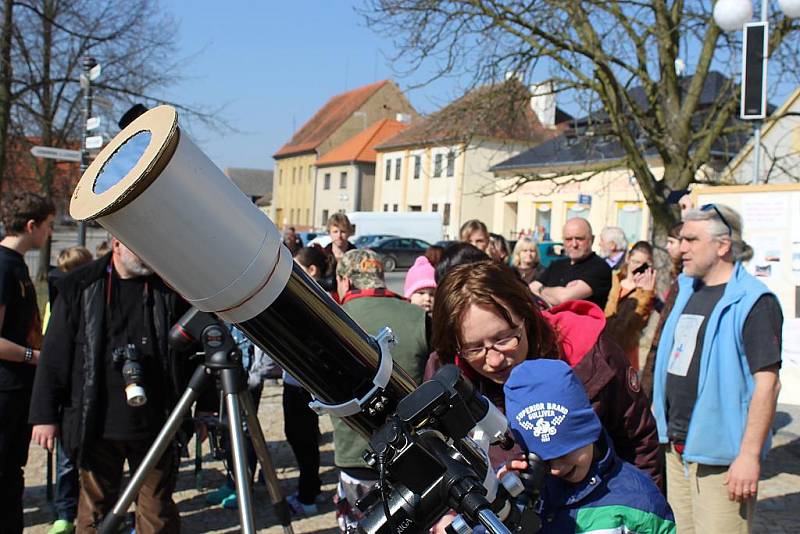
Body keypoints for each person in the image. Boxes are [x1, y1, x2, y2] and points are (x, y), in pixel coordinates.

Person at [432, 260, 662, 487]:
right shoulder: (449, 377)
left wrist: (644, 515)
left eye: (504, 339)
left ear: (526, 317)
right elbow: (445, 463)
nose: (494, 360)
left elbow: (639, 442)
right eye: (475, 348)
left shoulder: (590, 353)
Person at [29, 237, 190, 533]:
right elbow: (55, 354)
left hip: (157, 421)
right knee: (94, 512)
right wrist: (44, 416)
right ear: (116, 245)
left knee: (157, 513)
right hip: (96, 422)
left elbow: (191, 353)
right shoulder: (81, 286)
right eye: (138, 247)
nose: (146, 256)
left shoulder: (168, 288)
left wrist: (203, 409)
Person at [652, 204, 782, 533]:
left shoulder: (753, 301)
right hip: (676, 450)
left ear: (722, 245)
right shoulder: (685, 290)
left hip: (723, 461)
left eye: (691, 240)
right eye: (681, 239)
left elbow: (767, 385)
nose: (681, 248)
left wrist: (749, 457)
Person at [503, 360, 676, 533]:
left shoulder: (638, 500)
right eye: (545, 462)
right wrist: (500, 502)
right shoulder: (527, 496)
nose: (556, 469)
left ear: (588, 432)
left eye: (564, 453)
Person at [333, 249, 430, 532]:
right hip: (410, 451)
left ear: (345, 281)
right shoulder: (418, 316)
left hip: (355, 454)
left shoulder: (332, 319)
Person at [0, 191, 54, 533]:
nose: (50, 233)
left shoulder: (16, 264)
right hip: (5, 389)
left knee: (11, 473)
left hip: (18, 388)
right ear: (31, 225)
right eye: (48, 226)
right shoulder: (3, 267)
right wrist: (36, 357)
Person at [46, 246, 93, 534]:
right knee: (66, 462)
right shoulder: (59, 300)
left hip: (90, 389)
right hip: (68, 394)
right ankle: (65, 510)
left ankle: (88, 510)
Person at [283, 247, 325, 515]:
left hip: (302, 384)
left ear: (312, 270)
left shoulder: (312, 298)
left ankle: (307, 495)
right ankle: (312, 487)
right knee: (304, 438)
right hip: (299, 381)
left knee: (302, 439)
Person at [641, 222, 683, 399]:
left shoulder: (686, 279)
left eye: (672, 242)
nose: (667, 247)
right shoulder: (678, 275)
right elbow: (667, 311)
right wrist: (652, 297)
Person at [530, 217, 612, 308]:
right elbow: (529, 291)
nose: (574, 244)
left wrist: (541, 290)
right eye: (568, 239)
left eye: (580, 239)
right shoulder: (557, 265)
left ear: (591, 239)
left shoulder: (599, 267)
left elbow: (564, 298)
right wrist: (553, 292)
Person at [603, 241, 657, 371]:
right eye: (634, 261)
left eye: (641, 264)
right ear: (628, 259)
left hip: (626, 350)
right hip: (605, 345)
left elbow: (639, 324)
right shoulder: (614, 279)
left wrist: (646, 295)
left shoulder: (645, 291)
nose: (636, 267)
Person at [321, 213, 356, 296]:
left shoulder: (356, 255)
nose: (339, 236)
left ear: (349, 233)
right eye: (335, 231)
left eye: (343, 231)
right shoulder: (322, 255)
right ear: (329, 233)